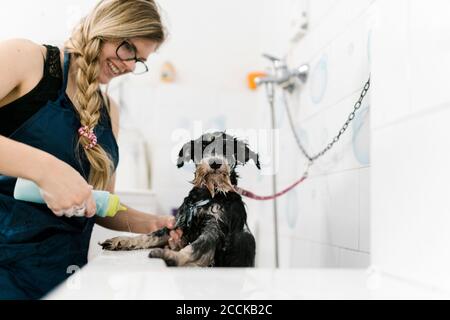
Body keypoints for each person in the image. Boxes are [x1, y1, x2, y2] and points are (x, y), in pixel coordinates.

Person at [0, 0, 181, 299]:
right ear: (107, 27)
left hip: (61, 276)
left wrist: (155, 225)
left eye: (140, 61)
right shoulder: (25, 58)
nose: (129, 65)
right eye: (128, 50)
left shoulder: (110, 110)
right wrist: (45, 170)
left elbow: (101, 204)